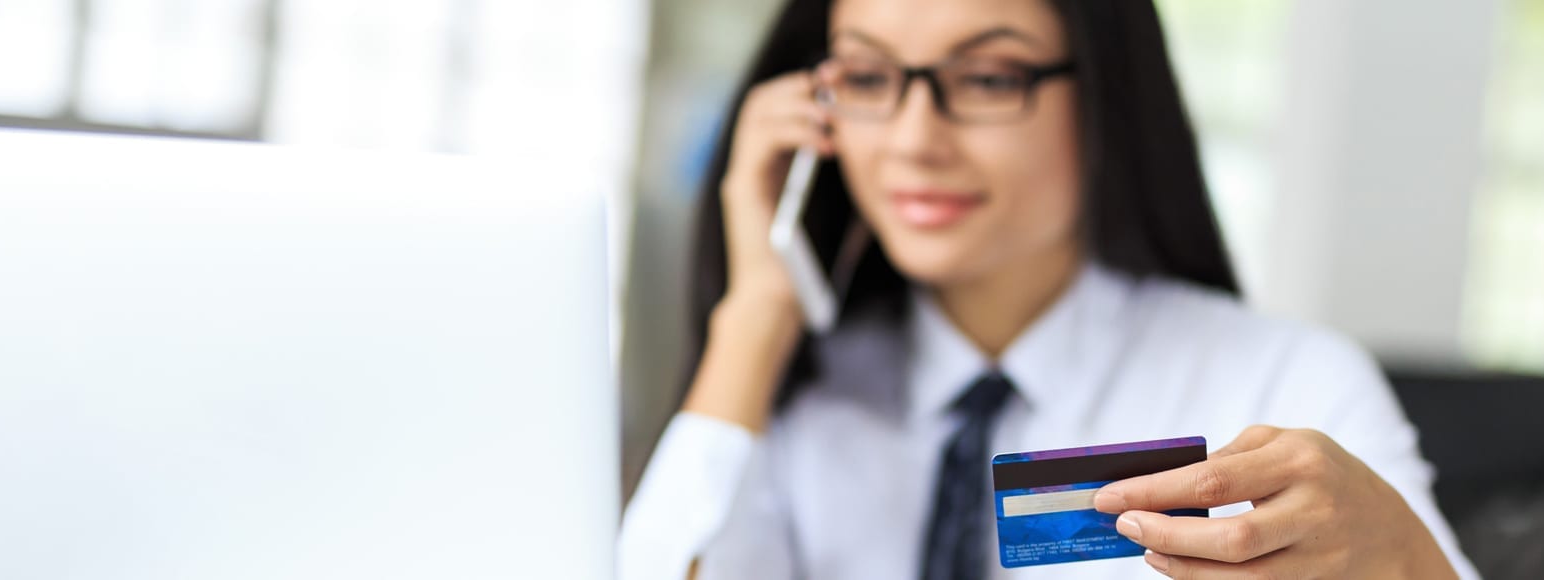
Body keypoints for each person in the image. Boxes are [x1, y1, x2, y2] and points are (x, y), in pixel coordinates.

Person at [618, 0, 1478, 578]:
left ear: (1104, 93)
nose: (915, 139)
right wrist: (753, 320)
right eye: (869, 80)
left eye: (989, 78)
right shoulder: (784, 401)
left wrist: (1405, 559)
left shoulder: (1289, 384)